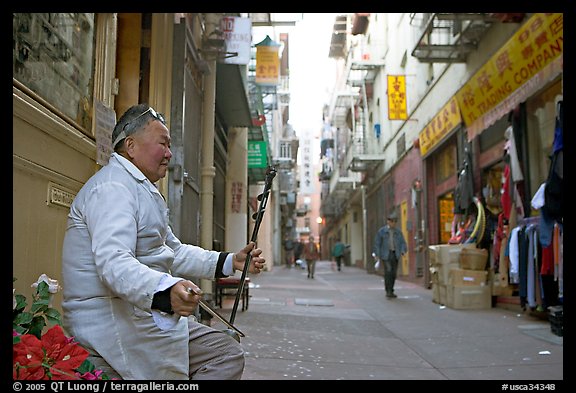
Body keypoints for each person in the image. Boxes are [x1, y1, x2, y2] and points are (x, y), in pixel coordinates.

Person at [61, 103, 266, 380]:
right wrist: (165, 292)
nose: (169, 154)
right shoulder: (113, 188)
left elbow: (172, 251)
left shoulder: (138, 187)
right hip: (111, 319)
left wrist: (230, 261)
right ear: (131, 146)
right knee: (225, 354)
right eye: (163, 144)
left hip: (139, 314)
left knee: (225, 351)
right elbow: (114, 263)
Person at [373, 211, 407, 299]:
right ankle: (388, 291)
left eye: (395, 221)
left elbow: (403, 242)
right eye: (392, 221)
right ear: (388, 221)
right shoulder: (382, 231)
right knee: (388, 271)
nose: (394, 223)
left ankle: (391, 289)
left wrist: (403, 250)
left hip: (395, 254)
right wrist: (377, 254)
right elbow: (377, 243)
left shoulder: (398, 232)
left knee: (393, 273)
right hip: (385, 254)